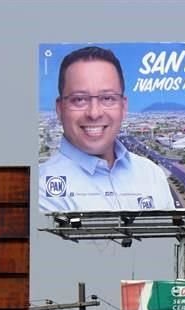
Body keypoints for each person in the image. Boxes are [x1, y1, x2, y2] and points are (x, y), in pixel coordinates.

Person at [39, 46, 175, 212]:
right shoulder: (39, 188)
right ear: (60, 109)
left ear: (123, 107)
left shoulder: (152, 174)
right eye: (79, 99)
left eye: (108, 98)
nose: (94, 113)